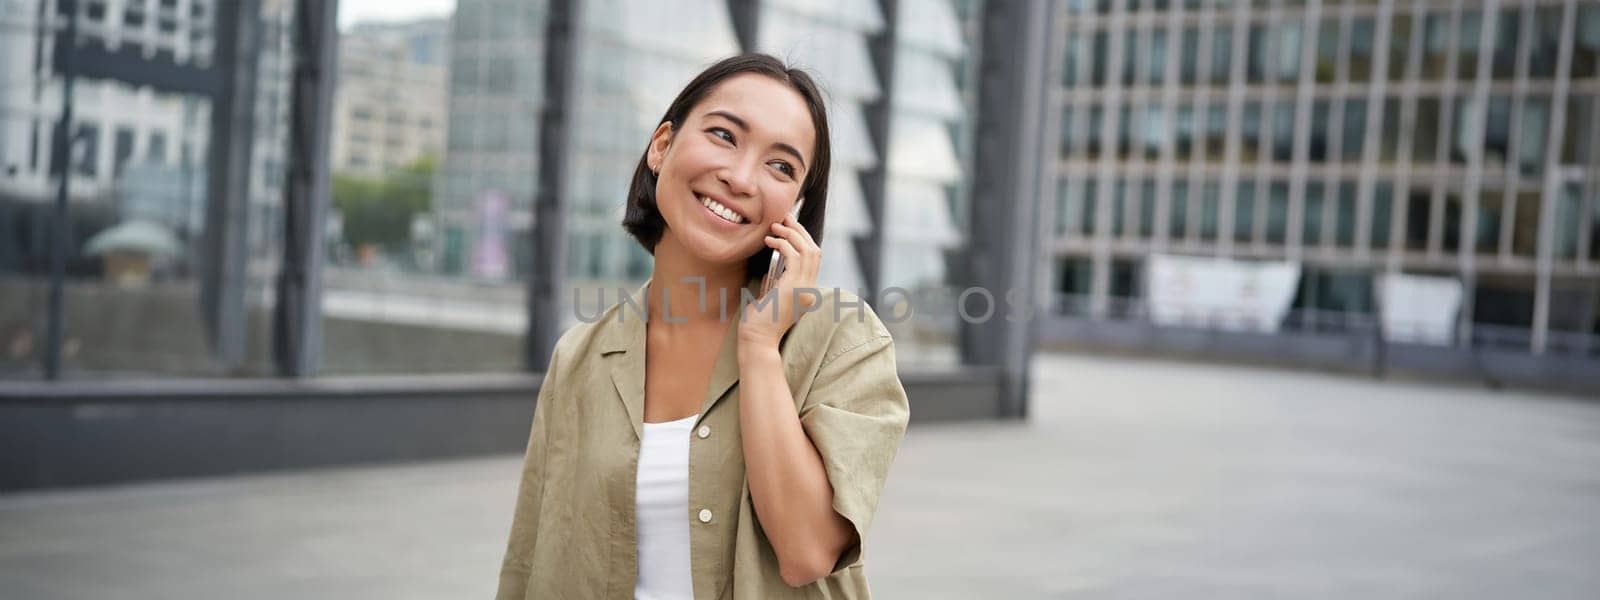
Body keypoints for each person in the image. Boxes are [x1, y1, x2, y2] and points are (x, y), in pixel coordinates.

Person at [494, 54, 911, 599]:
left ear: (797, 206)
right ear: (662, 145)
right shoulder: (580, 357)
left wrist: (761, 347)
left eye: (781, 167)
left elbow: (807, 552)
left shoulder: (842, 342)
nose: (740, 178)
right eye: (723, 135)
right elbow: (531, 562)